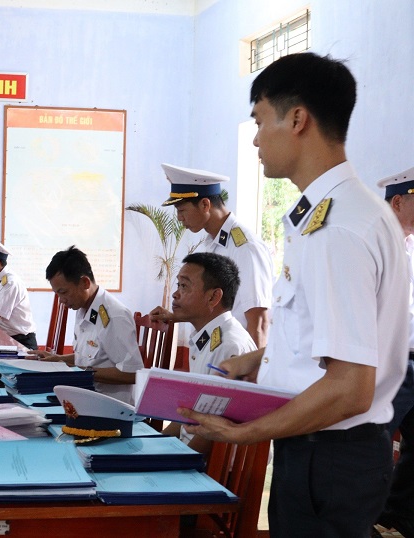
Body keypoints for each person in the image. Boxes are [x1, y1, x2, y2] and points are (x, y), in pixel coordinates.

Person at [179, 52, 408, 537]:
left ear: (298, 119)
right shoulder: (333, 215)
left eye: (260, 121)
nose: (256, 139)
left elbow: (350, 387)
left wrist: (247, 432)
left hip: (328, 456)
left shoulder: (338, 228)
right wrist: (259, 358)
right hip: (324, 449)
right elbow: (322, 340)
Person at [149, 252, 256, 453]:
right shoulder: (207, 337)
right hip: (188, 450)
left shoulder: (228, 346)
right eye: (178, 285)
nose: (175, 294)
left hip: (209, 464)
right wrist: (152, 444)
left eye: (184, 286)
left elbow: (213, 437)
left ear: (213, 297)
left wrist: (169, 461)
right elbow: (189, 415)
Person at [160, 163, 273, 348]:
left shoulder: (245, 248)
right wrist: (173, 316)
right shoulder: (212, 243)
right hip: (215, 351)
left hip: (236, 355)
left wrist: (250, 366)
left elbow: (259, 322)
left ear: (205, 204)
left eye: (182, 210)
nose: (179, 218)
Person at [30, 246, 142, 404]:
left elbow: (132, 373)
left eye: (63, 292)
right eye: (57, 294)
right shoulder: (84, 307)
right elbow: (89, 358)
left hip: (108, 405)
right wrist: (58, 359)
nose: (61, 301)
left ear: (84, 282)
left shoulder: (114, 316)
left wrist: (79, 371)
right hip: (85, 396)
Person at [374, 166, 414, 537]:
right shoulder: (377, 244)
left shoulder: (409, 246)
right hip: (387, 359)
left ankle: (397, 517)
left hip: (411, 361)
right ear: (398, 201)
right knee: (374, 439)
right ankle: (366, 516)